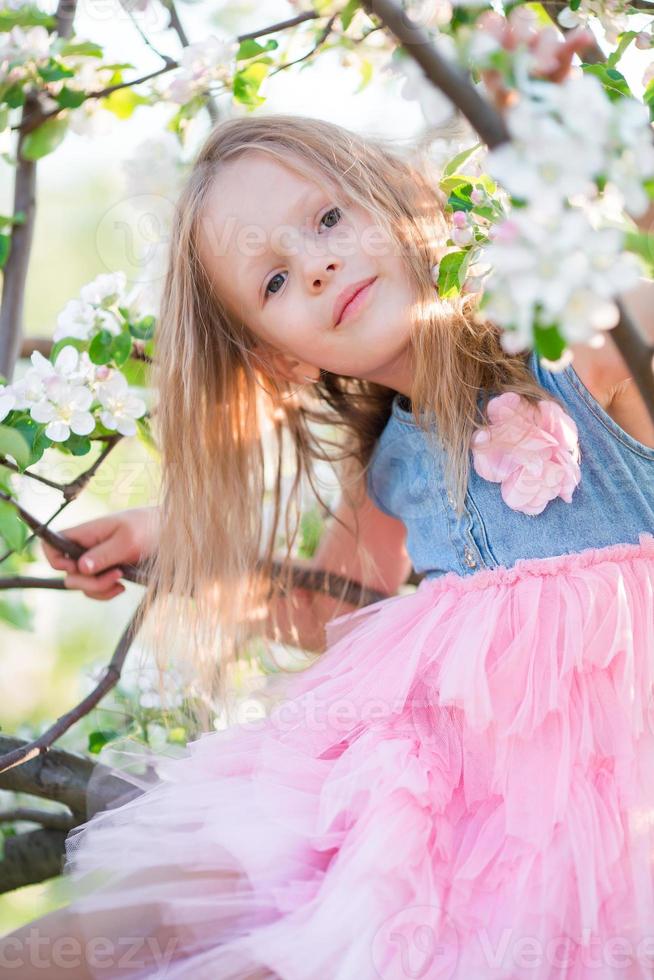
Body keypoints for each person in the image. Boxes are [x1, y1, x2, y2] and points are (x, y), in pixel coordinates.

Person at [2, 112, 654, 980]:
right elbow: (332, 610)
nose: (315, 264)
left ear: (408, 201)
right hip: (437, 808)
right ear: (281, 360)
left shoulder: (577, 346)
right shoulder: (392, 461)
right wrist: (173, 550)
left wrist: (583, 137)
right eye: (274, 281)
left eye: (329, 219)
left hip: (601, 817)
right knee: (137, 923)